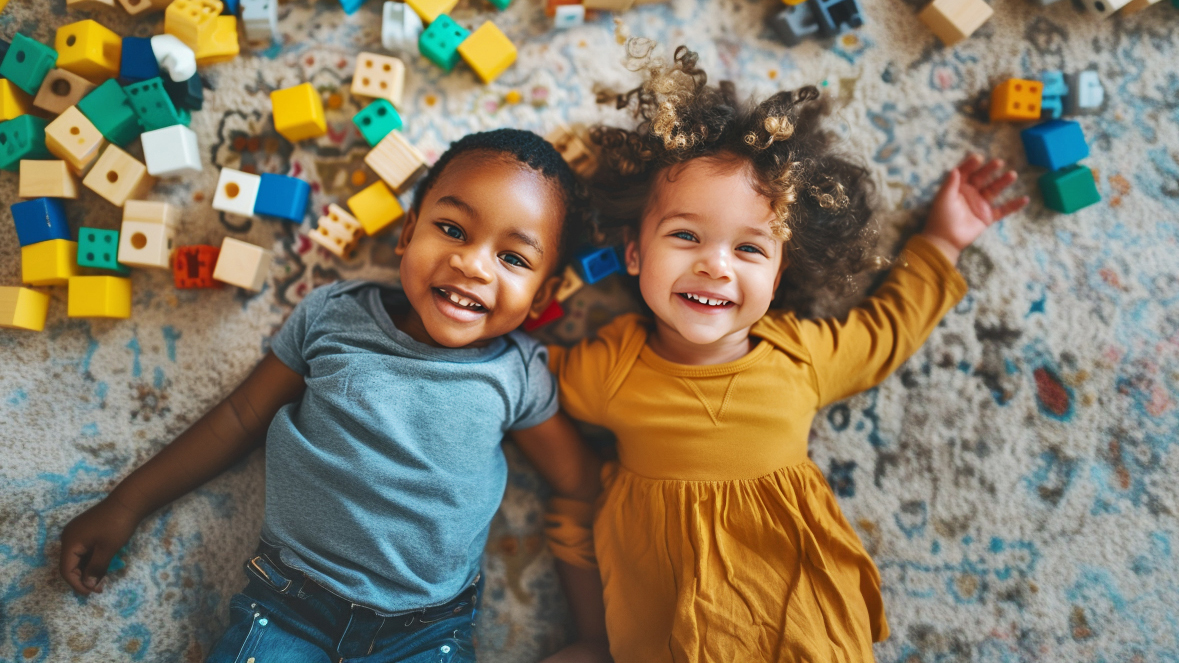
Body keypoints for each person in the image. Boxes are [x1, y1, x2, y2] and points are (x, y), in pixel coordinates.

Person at [543, 45, 1030, 662]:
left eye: (749, 249)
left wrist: (941, 242)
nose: (714, 264)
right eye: (685, 235)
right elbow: (525, 383)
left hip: (800, 629)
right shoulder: (610, 367)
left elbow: (886, 333)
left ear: (778, 277)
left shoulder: (799, 353)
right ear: (633, 254)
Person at [59, 129, 611, 663]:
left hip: (427, 629)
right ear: (406, 233)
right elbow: (239, 418)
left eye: (513, 258)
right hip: (290, 600)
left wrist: (593, 634)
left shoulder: (515, 373)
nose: (471, 263)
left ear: (539, 301)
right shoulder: (334, 316)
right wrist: (126, 504)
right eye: (452, 229)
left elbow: (581, 483)